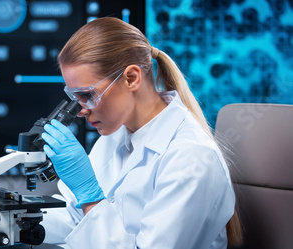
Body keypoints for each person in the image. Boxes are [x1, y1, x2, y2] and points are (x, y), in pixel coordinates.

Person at [40, 17, 242, 248]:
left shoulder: (191, 157)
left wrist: (90, 198)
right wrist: (7, 220)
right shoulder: (115, 136)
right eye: (74, 97)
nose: (80, 111)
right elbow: (78, 220)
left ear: (131, 78)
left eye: (87, 95)